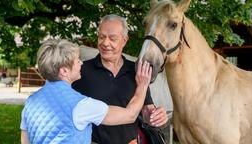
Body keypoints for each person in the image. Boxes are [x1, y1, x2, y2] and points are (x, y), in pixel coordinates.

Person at [20, 39, 152, 144]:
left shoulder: (31, 102)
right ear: (64, 71)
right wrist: (142, 85)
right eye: (77, 61)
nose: (81, 64)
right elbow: (130, 115)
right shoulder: (81, 105)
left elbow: (25, 141)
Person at [72, 14, 168, 144]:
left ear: (124, 40)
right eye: (101, 37)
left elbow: (146, 111)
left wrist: (156, 116)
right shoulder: (81, 71)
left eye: (112, 38)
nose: (105, 43)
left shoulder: (136, 71)